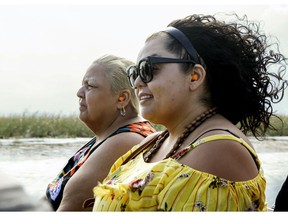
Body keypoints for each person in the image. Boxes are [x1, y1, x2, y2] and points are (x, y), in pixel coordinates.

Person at [90, 14, 288, 211]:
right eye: (134, 73)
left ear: (194, 76)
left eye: (149, 68)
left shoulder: (218, 151)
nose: (137, 82)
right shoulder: (151, 143)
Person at [45, 54, 156, 211]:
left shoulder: (127, 140)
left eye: (90, 86)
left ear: (122, 98)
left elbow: (71, 207)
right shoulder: (107, 135)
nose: (79, 92)